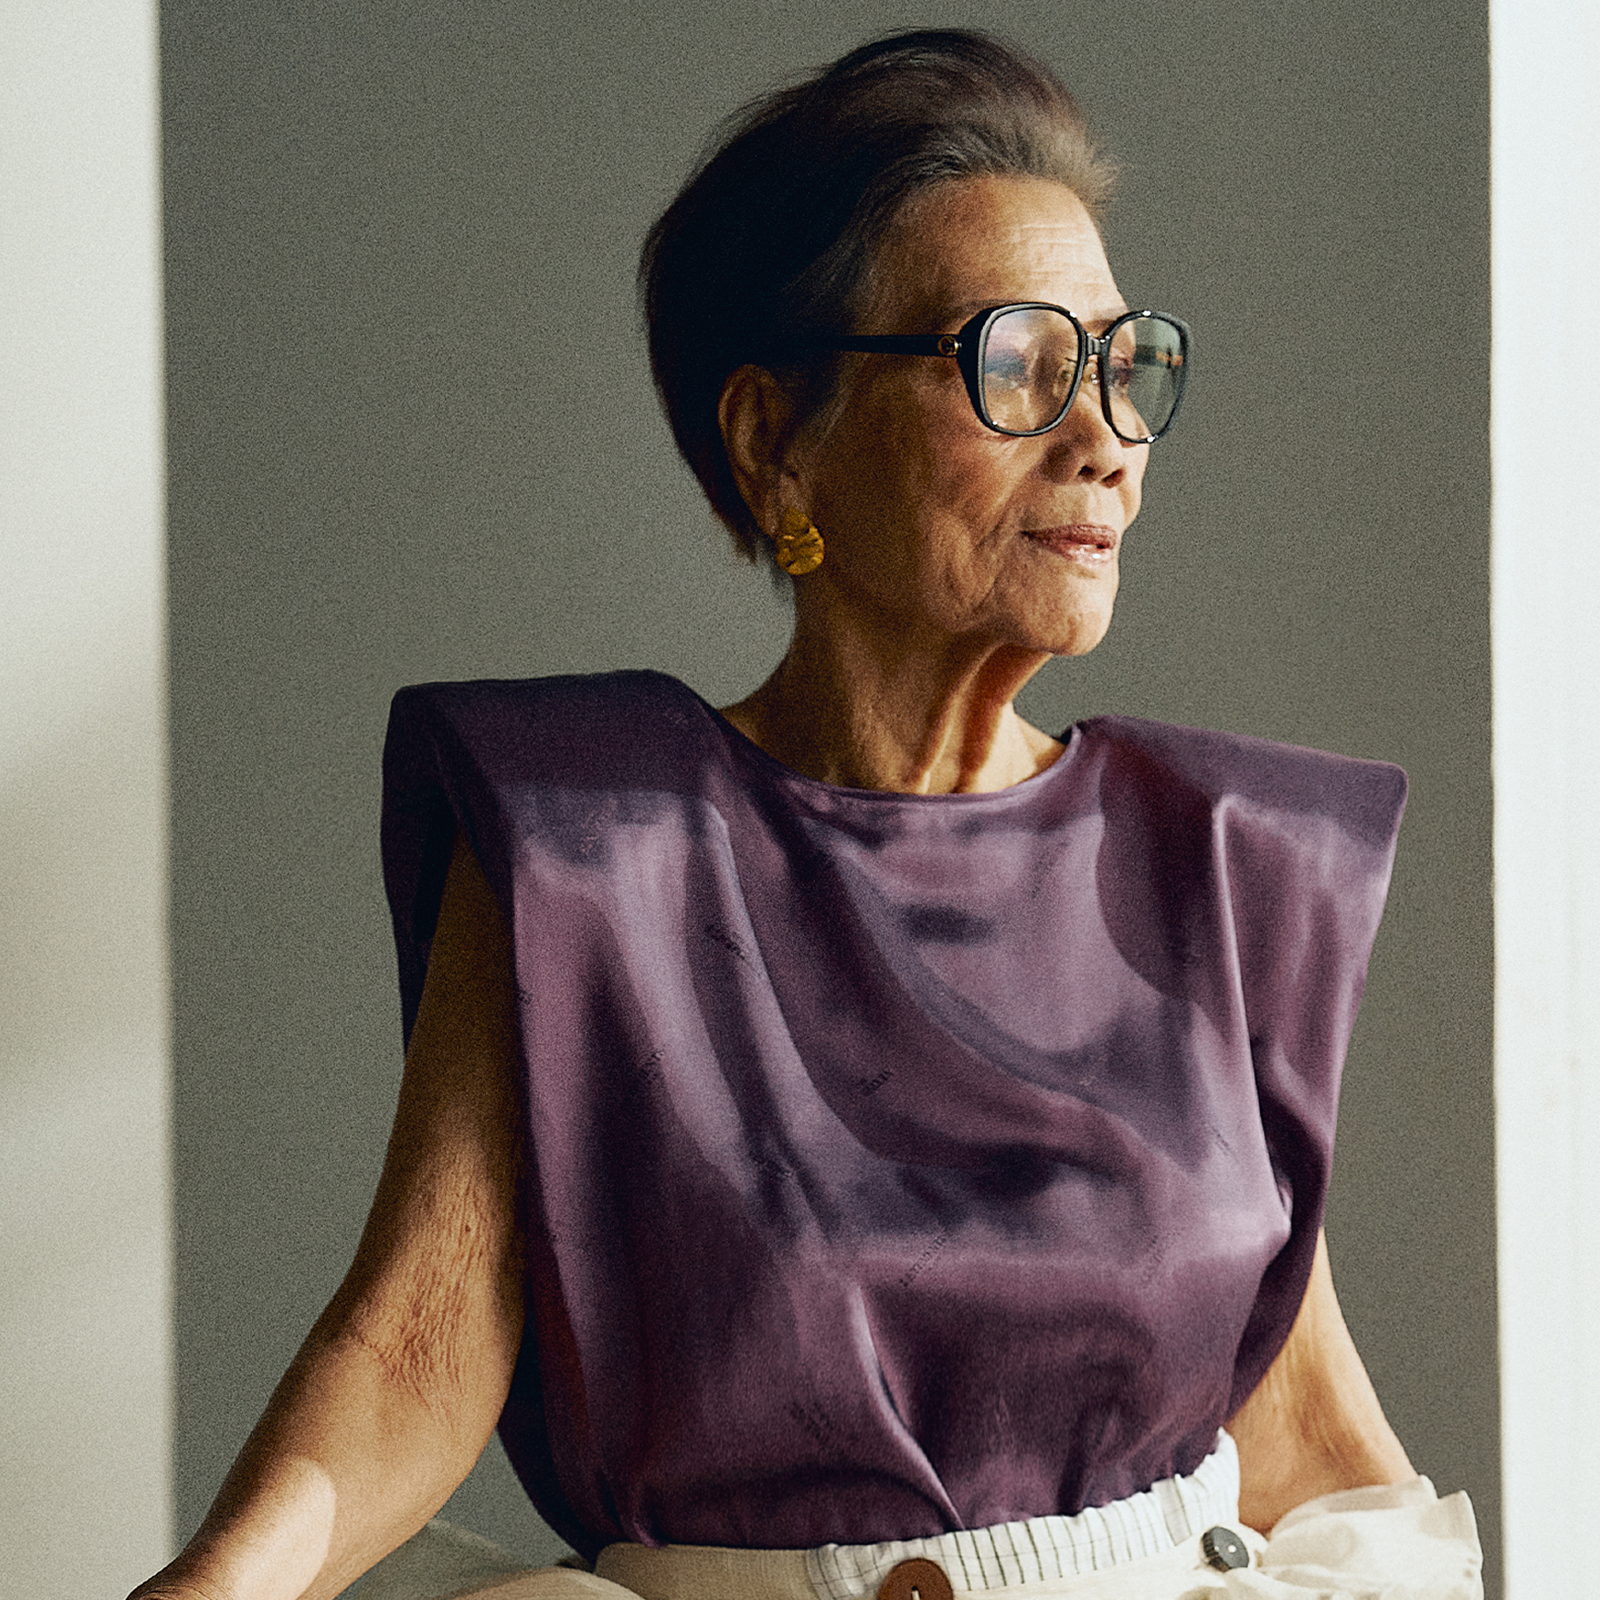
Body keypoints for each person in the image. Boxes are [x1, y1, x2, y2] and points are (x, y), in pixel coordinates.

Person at [131, 29, 1482, 1600]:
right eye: (1020, 362)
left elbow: (1299, 1420)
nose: (1106, 439)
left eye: (1125, 365)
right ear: (776, 440)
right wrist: (211, 1587)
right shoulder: (597, 851)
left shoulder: (1216, 865)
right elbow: (414, 1357)